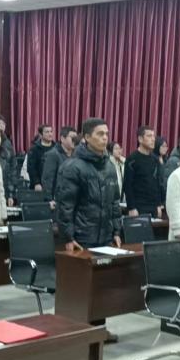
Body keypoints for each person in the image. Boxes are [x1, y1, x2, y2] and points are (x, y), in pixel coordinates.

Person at [55, 118, 122, 342]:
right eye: (100, 134)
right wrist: (68, 236)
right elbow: (65, 206)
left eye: (107, 134)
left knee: (100, 287)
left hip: (104, 235)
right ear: (86, 137)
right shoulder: (73, 166)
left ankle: (98, 330)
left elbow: (114, 202)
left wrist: (116, 231)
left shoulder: (109, 165)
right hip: (81, 237)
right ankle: (77, 332)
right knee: (80, 289)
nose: (105, 138)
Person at [123, 126, 163, 218]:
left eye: (153, 136)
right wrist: (131, 207)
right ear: (140, 139)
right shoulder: (132, 159)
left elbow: (157, 184)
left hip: (154, 207)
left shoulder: (155, 159)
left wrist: (158, 205)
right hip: (138, 207)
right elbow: (127, 185)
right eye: (149, 136)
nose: (153, 139)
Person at [42, 126, 77, 201]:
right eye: (72, 138)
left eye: (76, 138)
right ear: (62, 139)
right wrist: (48, 199)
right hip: (58, 199)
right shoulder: (53, 154)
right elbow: (48, 179)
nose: (75, 141)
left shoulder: (77, 155)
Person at [27, 124, 56, 190]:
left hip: (54, 184)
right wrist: (36, 183)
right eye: (47, 132)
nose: (50, 134)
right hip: (40, 185)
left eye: (51, 131)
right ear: (40, 135)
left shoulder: (56, 148)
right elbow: (31, 168)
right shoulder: (34, 149)